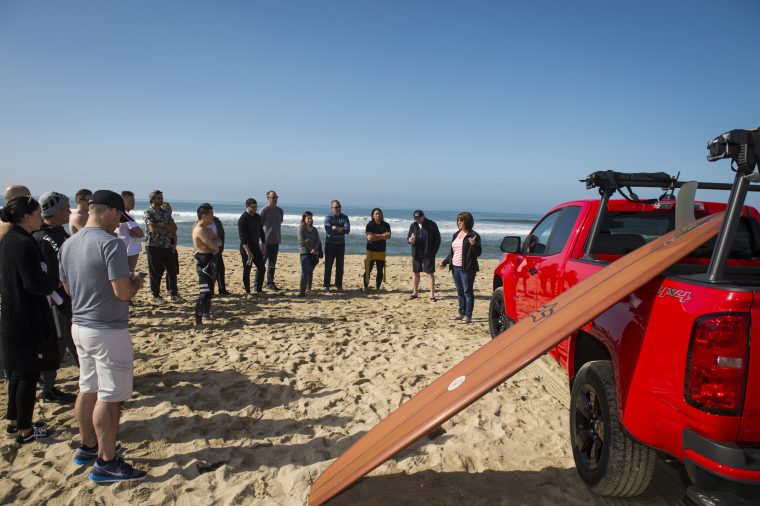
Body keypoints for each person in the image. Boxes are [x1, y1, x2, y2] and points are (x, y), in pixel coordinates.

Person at [59, 190, 147, 482]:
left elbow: (68, 289)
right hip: (108, 329)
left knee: (88, 388)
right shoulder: (111, 244)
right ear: (109, 211)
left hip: (79, 325)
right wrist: (135, 282)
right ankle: (107, 461)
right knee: (110, 397)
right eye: (119, 217)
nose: (119, 224)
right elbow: (122, 292)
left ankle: (87, 447)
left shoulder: (69, 243)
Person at [0, 196, 59, 443]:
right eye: (37, 213)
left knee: (17, 373)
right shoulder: (23, 243)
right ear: (26, 216)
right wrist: (52, 282)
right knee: (28, 375)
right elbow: (34, 284)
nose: (40, 217)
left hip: (12, 314)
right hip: (27, 318)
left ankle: (14, 422)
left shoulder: (8, 239)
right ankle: (24, 430)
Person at [34, 191, 79, 404]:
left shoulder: (58, 233)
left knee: (71, 341)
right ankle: (47, 388)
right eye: (65, 207)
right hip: (57, 299)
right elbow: (48, 273)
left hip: (69, 297)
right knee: (60, 341)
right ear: (56, 210)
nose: (69, 211)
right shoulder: (43, 238)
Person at [438, 212, 482, 324]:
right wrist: (445, 262)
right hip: (455, 267)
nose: (459, 223)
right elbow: (453, 252)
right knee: (460, 291)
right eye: (458, 220)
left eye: (461, 220)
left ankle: (468, 316)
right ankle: (461, 313)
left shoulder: (473, 235)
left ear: (467, 221)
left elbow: (478, 253)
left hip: (467, 268)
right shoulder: (456, 234)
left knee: (467, 291)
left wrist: (473, 245)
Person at [143, 190, 181, 304]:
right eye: (159, 198)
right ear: (153, 199)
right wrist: (166, 229)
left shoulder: (165, 213)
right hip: (153, 246)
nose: (161, 200)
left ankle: (174, 294)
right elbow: (153, 229)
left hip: (167, 245)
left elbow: (174, 228)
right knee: (155, 271)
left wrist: (162, 225)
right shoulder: (148, 212)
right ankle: (156, 295)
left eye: (161, 197)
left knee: (172, 270)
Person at [192, 204, 222, 326]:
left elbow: (219, 242)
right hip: (203, 261)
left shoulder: (207, 229)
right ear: (204, 215)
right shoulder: (200, 229)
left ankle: (206, 312)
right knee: (204, 292)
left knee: (210, 291)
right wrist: (213, 244)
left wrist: (213, 244)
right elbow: (215, 245)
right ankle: (198, 319)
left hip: (210, 260)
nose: (213, 217)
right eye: (210, 214)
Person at [407, 210, 441, 301]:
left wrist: (433, 252)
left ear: (423, 216)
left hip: (428, 253)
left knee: (430, 273)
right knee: (415, 272)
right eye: (416, 218)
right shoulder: (413, 225)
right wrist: (410, 240)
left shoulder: (432, 224)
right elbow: (408, 238)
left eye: (419, 218)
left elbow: (437, 239)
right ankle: (415, 292)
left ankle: (432, 294)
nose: (418, 220)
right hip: (416, 253)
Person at [238, 198, 266, 301]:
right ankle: (247, 292)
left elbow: (261, 231)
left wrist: (264, 244)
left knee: (262, 268)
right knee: (247, 270)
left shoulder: (257, 217)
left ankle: (258, 290)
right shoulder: (243, 219)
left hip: (256, 247)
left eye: (256, 207)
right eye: (253, 207)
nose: (255, 209)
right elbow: (242, 237)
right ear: (247, 206)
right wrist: (248, 251)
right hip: (246, 248)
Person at [323, 200, 350, 291]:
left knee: (340, 266)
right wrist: (340, 230)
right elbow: (329, 231)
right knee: (328, 266)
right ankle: (327, 285)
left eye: (339, 206)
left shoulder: (345, 217)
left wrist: (336, 228)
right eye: (336, 207)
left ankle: (338, 285)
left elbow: (347, 230)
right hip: (330, 245)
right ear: (332, 208)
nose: (338, 209)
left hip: (341, 245)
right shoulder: (328, 218)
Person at [260, 190, 284, 291]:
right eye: (272, 197)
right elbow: (259, 226)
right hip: (265, 242)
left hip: (276, 241)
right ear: (268, 198)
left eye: (276, 197)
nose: (274, 199)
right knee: (261, 264)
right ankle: (259, 283)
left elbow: (280, 222)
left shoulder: (280, 211)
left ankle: (270, 283)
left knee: (272, 264)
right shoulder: (264, 210)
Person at [363, 208, 392, 291]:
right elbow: (369, 237)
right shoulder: (370, 225)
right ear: (373, 215)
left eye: (379, 213)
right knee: (368, 270)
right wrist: (382, 236)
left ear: (381, 214)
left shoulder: (386, 225)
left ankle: (377, 287)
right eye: (376, 214)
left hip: (381, 250)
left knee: (380, 271)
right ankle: (365, 286)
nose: (378, 215)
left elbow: (388, 236)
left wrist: (376, 235)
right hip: (370, 250)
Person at [116, 191, 144, 273]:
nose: (133, 203)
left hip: (122, 249)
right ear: (122, 202)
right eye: (130, 201)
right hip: (130, 250)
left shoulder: (118, 213)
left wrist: (135, 232)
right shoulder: (126, 215)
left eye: (134, 200)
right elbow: (140, 233)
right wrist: (137, 232)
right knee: (128, 275)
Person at [297, 211, 322, 297]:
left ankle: (309, 288)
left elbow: (318, 241)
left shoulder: (314, 229)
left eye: (311, 218)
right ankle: (302, 292)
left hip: (314, 253)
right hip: (304, 253)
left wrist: (315, 249)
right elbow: (301, 241)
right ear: (304, 219)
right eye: (308, 218)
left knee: (310, 271)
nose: (310, 220)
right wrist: (310, 249)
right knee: (305, 272)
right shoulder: (301, 229)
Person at [161, 201, 181, 296]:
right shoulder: (163, 219)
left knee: (173, 270)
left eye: (170, 208)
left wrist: (175, 244)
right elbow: (167, 232)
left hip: (172, 246)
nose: (170, 210)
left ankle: (170, 288)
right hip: (165, 247)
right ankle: (169, 289)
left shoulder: (170, 219)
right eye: (167, 208)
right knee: (168, 270)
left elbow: (174, 232)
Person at [209, 210, 229, 295]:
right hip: (208, 251)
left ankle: (222, 289)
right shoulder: (202, 223)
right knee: (211, 271)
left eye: (212, 212)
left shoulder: (217, 221)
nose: (212, 214)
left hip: (218, 250)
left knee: (221, 269)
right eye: (210, 212)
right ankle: (210, 290)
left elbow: (222, 235)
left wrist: (221, 247)